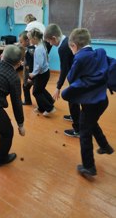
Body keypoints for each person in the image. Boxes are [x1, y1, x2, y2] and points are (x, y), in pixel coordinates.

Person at [62, 28, 114, 177]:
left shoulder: (80, 57)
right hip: (102, 101)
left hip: (90, 103)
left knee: (84, 132)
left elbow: (71, 78)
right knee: (92, 123)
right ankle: (105, 146)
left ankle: (89, 167)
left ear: (73, 45)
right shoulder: (99, 53)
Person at [44, 23, 80, 137]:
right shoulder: (67, 40)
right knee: (73, 99)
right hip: (76, 74)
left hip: (78, 76)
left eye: (50, 41)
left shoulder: (63, 47)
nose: (50, 44)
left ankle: (78, 129)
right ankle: (74, 116)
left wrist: (58, 87)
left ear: (54, 38)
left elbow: (64, 69)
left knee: (72, 99)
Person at [28, 28, 55, 117]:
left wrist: (33, 73)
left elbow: (39, 65)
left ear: (35, 38)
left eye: (30, 38)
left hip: (41, 74)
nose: (29, 40)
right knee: (40, 89)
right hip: (45, 72)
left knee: (36, 92)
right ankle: (43, 106)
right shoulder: (42, 44)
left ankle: (49, 108)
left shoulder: (38, 49)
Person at [18, 31, 35, 105]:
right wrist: (24, 63)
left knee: (26, 87)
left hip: (30, 73)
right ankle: (50, 100)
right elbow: (28, 62)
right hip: (31, 72)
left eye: (21, 42)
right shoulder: (32, 49)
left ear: (27, 40)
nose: (20, 43)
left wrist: (30, 77)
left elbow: (31, 64)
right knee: (39, 89)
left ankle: (27, 101)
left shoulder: (29, 50)